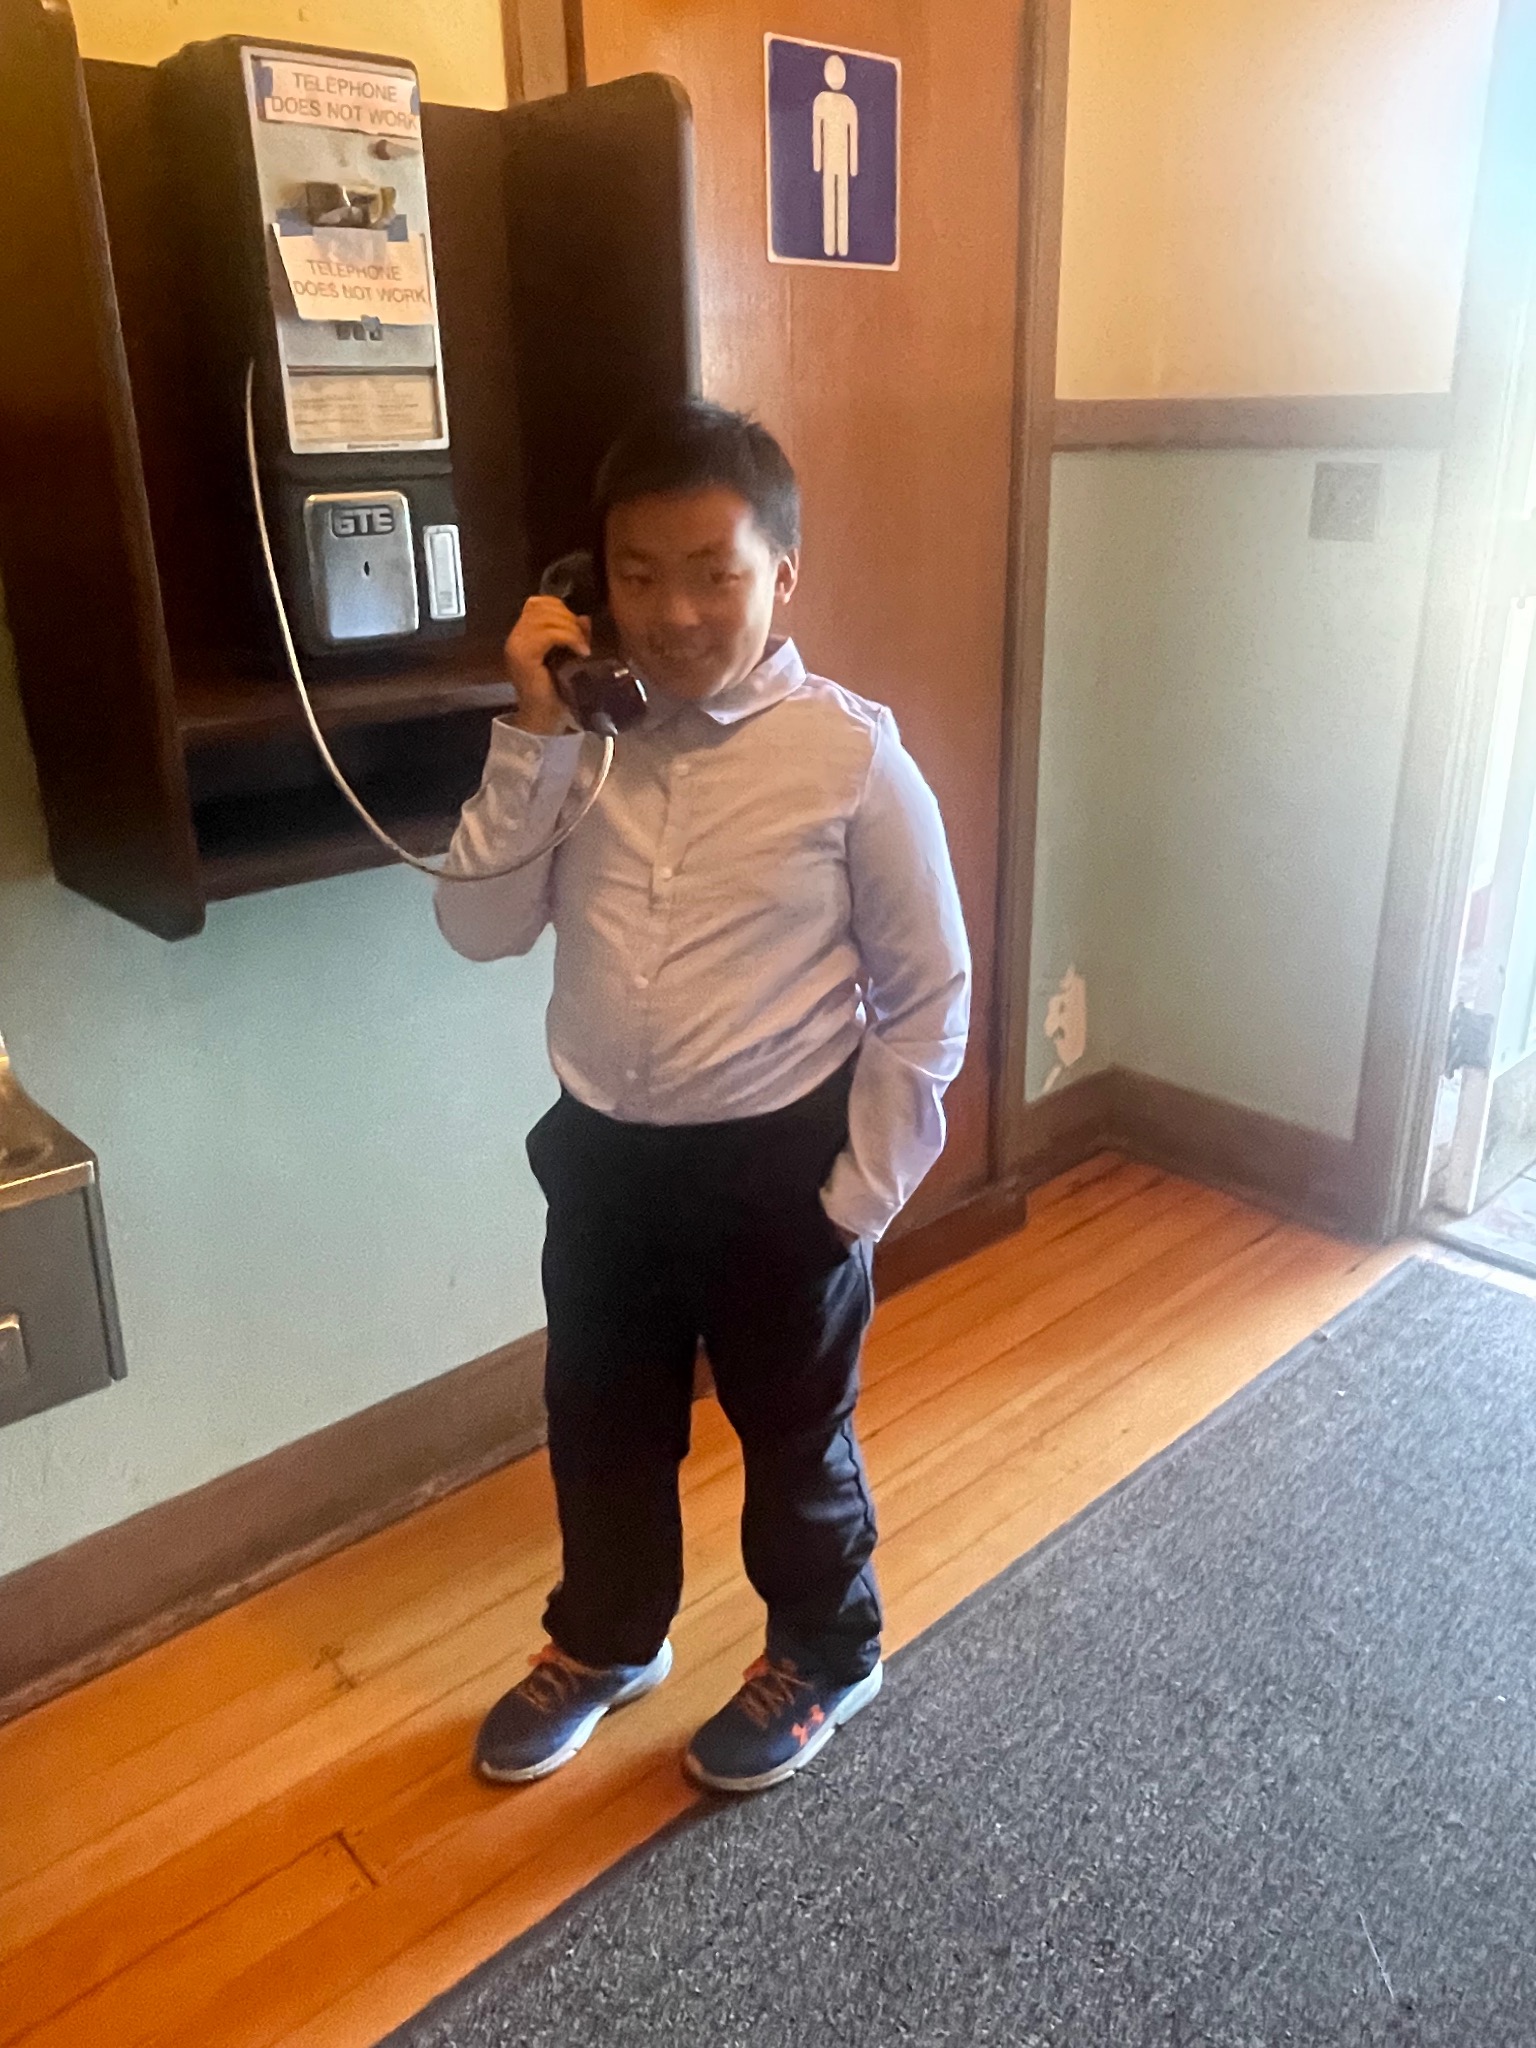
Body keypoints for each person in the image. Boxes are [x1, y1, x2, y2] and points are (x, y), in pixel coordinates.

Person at [435, 399, 970, 1795]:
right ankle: (610, 1638)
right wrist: (536, 726)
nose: (674, 613)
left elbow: (929, 997)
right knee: (599, 1426)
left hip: (779, 1169)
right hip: (604, 1165)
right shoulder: (577, 744)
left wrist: (856, 1197)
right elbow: (478, 929)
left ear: (781, 575)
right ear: (590, 585)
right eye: (637, 575)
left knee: (793, 1437)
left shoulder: (854, 758)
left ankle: (827, 1650)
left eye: (713, 574)